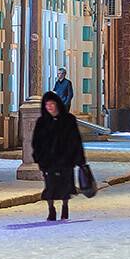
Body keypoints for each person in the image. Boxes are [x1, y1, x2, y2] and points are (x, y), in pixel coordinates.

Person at [31, 90, 87, 221]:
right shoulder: (42, 122)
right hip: (48, 161)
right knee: (50, 186)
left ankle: (65, 207)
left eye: (51, 104)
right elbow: (36, 141)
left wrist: (79, 159)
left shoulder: (68, 120)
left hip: (65, 160)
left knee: (65, 186)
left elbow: (76, 140)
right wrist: (38, 157)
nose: (49, 107)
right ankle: (51, 209)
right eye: (47, 104)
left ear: (57, 104)